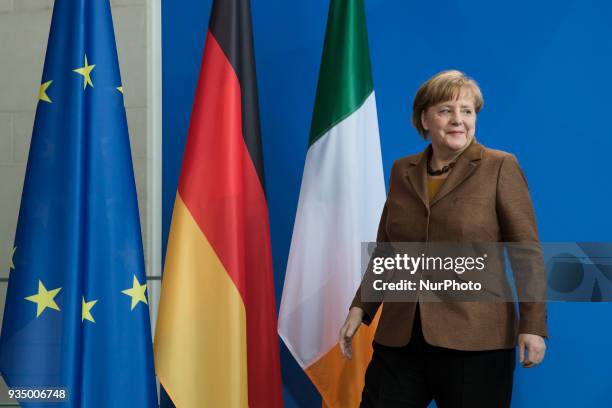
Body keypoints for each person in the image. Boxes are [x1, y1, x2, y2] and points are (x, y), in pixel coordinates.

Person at [339, 70, 548, 407]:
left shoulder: (500, 167)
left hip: (476, 340)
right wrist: (360, 307)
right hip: (401, 336)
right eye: (446, 110)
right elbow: (388, 251)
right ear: (424, 118)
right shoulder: (402, 171)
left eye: (467, 111)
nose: (458, 121)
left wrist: (533, 324)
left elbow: (526, 253)